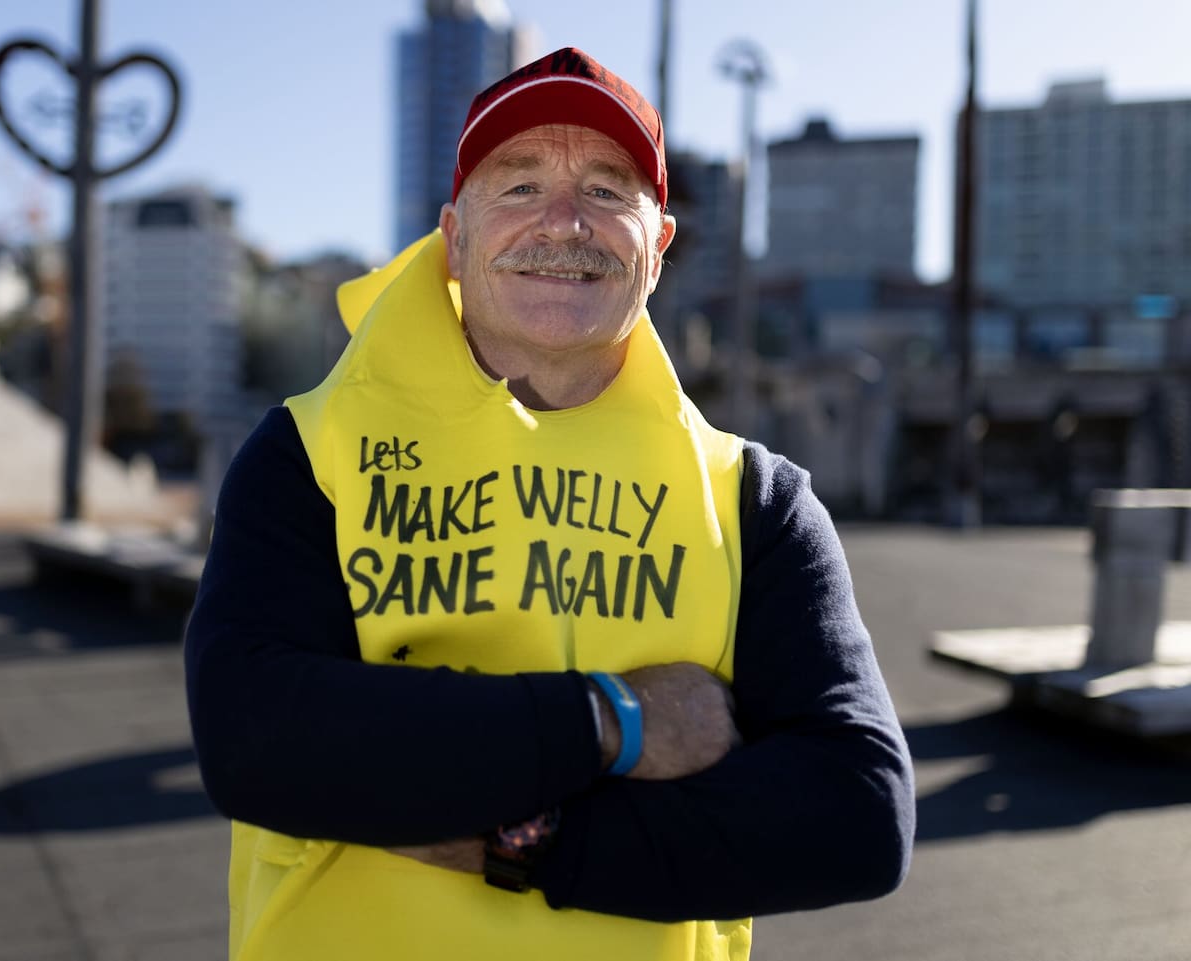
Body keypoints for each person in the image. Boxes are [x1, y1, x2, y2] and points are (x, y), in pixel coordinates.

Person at [185, 46, 914, 961]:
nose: (564, 221)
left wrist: (512, 839)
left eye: (607, 190)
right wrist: (618, 720)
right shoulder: (310, 451)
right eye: (520, 185)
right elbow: (257, 739)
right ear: (455, 236)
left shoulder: (754, 500)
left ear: (659, 246)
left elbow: (857, 815)